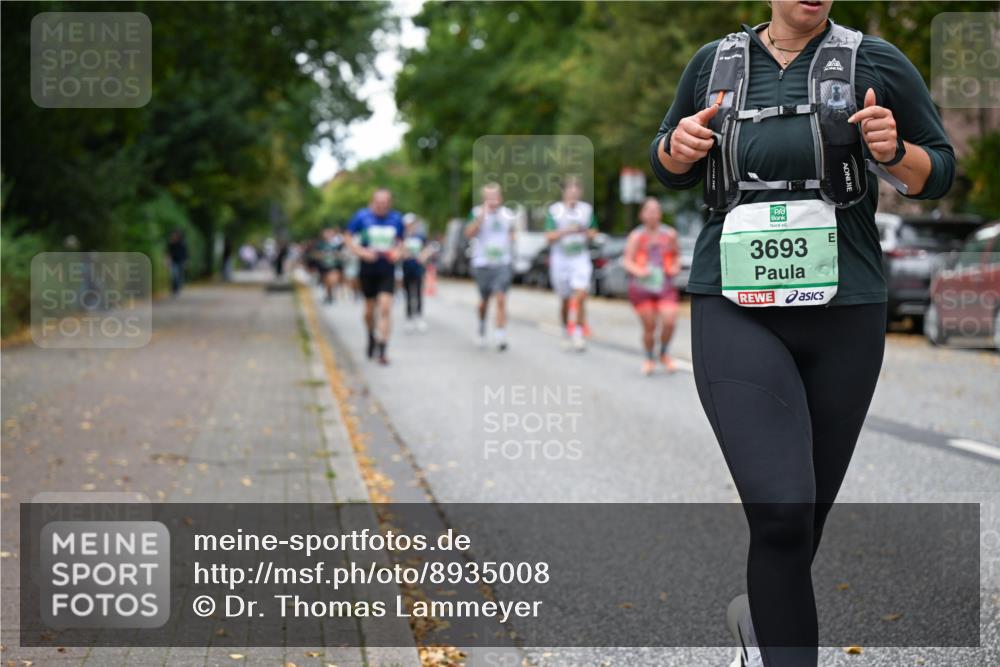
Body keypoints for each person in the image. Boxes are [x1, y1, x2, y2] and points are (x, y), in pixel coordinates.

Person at [649, 1, 954, 666]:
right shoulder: (714, 64)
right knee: (782, 511)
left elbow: (938, 171)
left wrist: (895, 151)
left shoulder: (875, 61)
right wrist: (678, 149)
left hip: (845, 309)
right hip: (736, 302)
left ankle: (759, 628)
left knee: (802, 520)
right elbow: (667, 158)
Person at [622, 198, 681, 375]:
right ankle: (649, 358)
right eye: (649, 210)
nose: (653, 214)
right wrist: (639, 271)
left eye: (656, 210)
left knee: (669, 322)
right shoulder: (636, 236)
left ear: (660, 214)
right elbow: (626, 261)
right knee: (650, 326)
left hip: (664, 287)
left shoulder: (669, 234)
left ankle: (663, 353)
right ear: (642, 214)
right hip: (642, 288)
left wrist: (675, 267)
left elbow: (677, 256)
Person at [345, 189, 405, 365]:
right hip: (367, 270)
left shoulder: (396, 219)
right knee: (369, 311)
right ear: (373, 201)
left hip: (387, 270)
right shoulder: (362, 217)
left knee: (386, 308)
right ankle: (371, 335)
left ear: (390, 203)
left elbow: (401, 243)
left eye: (385, 202)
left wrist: (398, 253)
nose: (382, 205)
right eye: (379, 202)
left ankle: (383, 348)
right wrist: (361, 252)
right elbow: (347, 238)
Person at [544, 177, 598, 351]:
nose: (573, 192)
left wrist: (586, 232)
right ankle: (565, 329)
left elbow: (594, 232)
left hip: (580, 259)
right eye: (570, 189)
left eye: (576, 189)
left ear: (580, 192)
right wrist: (567, 231)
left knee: (581, 295)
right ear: (564, 192)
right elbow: (549, 236)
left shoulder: (586, 210)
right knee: (565, 301)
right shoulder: (555, 211)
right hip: (561, 260)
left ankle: (578, 333)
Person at [465, 182, 517, 351]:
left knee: (501, 298)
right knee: (484, 302)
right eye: (489, 198)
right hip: (482, 263)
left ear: (500, 197)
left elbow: (513, 233)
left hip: (502, 263)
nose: (493, 200)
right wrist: (481, 218)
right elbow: (468, 233)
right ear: (484, 199)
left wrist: (512, 240)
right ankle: (481, 326)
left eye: (495, 197)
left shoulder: (508, 215)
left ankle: (500, 335)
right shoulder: (476, 213)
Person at [401, 213, 431, 333]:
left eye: (412, 224)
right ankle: (409, 317)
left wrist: (423, 256)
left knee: (418, 293)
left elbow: (427, 249)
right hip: (406, 268)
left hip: (418, 269)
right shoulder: (403, 237)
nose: (410, 226)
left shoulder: (420, 236)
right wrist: (404, 254)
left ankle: (419, 316)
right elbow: (398, 250)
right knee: (408, 294)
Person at [312, 227, 344, 304]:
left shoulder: (336, 244)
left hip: (334, 265)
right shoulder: (320, 244)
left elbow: (341, 254)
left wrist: (336, 255)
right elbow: (315, 254)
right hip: (323, 266)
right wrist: (322, 255)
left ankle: (332, 293)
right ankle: (329, 295)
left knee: (333, 280)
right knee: (326, 282)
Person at [166, 229, 188, 296]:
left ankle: (177, 289)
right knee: (174, 275)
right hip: (173, 262)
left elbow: (185, 253)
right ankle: (174, 289)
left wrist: (186, 262)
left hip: (181, 261)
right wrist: (167, 260)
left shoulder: (182, 243)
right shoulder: (171, 243)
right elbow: (168, 252)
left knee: (179, 276)